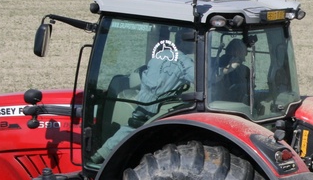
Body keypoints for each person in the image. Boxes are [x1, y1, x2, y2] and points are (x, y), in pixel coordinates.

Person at [90, 35, 195, 164]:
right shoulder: (185, 62)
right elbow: (200, 81)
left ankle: (100, 156)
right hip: (159, 104)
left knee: (131, 127)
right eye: (192, 43)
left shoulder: (160, 55)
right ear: (185, 43)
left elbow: (145, 73)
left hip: (143, 100)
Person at [215, 38, 250, 104]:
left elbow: (249, 91)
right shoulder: (219, 66)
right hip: (223, 103)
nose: (245, 54)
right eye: (243, 51)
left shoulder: (245, 70)